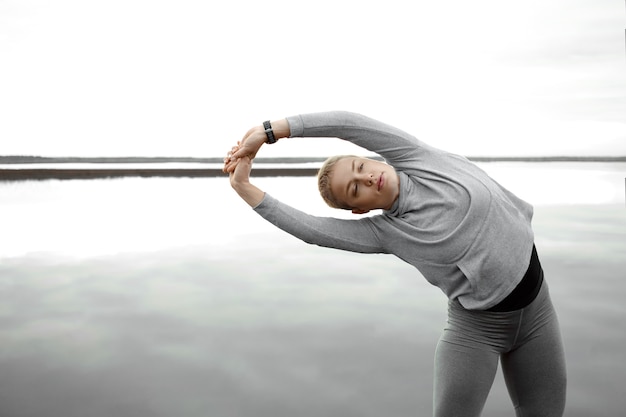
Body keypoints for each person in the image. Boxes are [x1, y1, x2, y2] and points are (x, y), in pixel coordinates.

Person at [223, 111, 566, 417]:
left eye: (361, 168)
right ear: (359, 209)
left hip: (539, 311)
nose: (367, 179)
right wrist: (243, 187)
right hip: (477, 333)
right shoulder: (384, 233)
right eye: (355, 190)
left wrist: (269, 131)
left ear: (373, 158)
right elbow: (313, 230)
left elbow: (348, 123)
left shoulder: (418, 157)